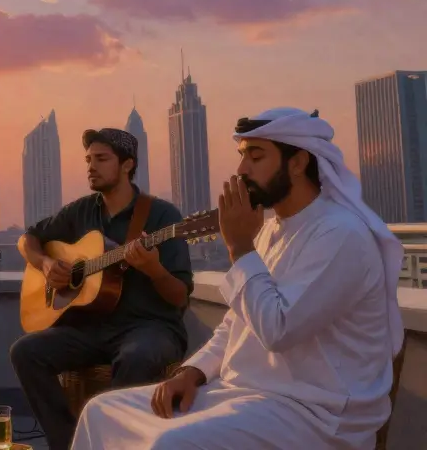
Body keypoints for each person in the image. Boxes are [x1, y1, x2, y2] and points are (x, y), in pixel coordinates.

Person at [71, 108, 405, 449]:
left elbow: (278, 330)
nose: (242, 170)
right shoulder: (270, 231)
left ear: (298, 162)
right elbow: (236, 324)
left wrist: (240, 248)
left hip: (313, 413)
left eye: (255, 157)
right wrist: (193, 372)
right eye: (242, 156)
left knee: (172, 444)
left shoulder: (340, 235)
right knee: (100, 411)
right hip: (244, 394)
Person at [11, 128, 193, 450]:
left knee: (136, 357)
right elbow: (28, 240)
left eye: (101, 159)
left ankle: (115, 444)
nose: (90, 167)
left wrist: (153, 269)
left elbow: (180, 296)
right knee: (25, 351)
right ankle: (69, 443)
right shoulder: (81, 210)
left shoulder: (164, 216)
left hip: (150, 327)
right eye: (88, 159)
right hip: (90, 329)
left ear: (127, 165)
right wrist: (45, 264)